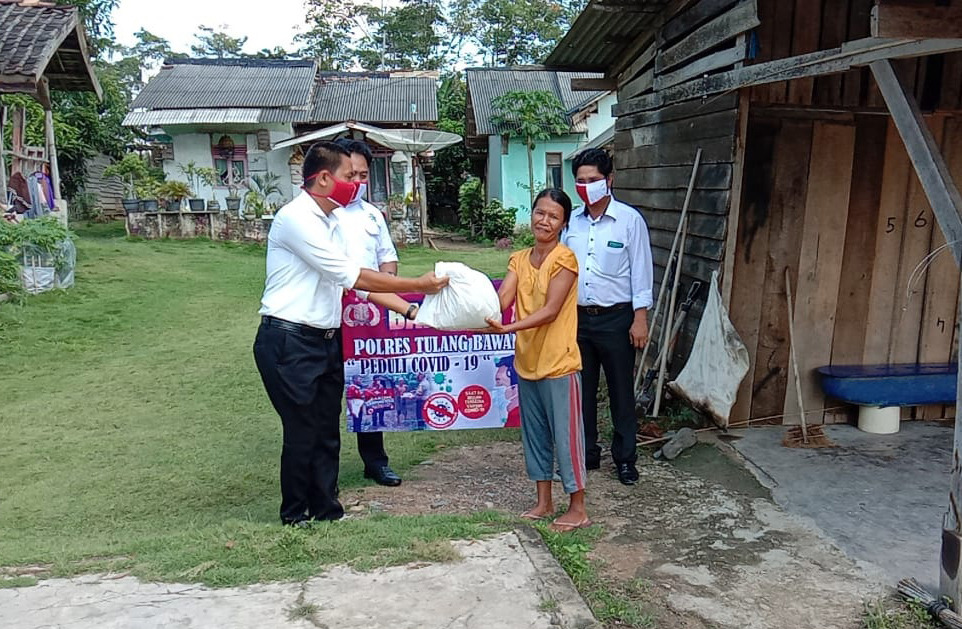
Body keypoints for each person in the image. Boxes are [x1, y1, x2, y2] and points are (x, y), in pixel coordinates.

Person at [253, 140, 447, 526]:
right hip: (288, 339)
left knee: (326, 429)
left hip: (325, 339)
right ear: (324, 178)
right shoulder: (297, 218)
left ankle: (327, 509)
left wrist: (412, 309)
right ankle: (294, 514)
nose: (355, 184)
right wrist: (418, 283)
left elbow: (360, 285)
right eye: (348, 176)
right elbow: (353, 274)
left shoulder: (333, 221)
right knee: (302, 429)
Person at [484, 189, 589, 533]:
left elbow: (550, 310)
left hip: (559, 364)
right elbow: (503, 298)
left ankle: (578, 507)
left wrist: (508, 327)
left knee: (567, 436)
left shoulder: (565, 259)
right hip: (527, 362)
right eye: (540, 213)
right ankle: (544, 502)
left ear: (563, 224)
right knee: (535, 435)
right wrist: (477, 311)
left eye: (553, 216)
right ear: (531, 215)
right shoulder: (518, 258)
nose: (544, 221)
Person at [562, 148, 653, 486]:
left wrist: (639, 317)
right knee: (580, 391)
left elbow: (641, 271)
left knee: (620, 392)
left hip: (617, 319)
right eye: (581, 182)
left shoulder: (629, 221)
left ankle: (626, 459)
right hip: (578, 320)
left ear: (609, 180)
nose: (587, 187)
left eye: (594, 180)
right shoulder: (570, 222)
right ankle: (586, 454)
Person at [334, 138, 403, 487]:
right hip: (329, 316)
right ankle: (324, 468)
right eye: (351, 174)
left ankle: (375, 462)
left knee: (369, 386)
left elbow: (387, 256)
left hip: (368, 316)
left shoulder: (373, 215)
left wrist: (386, 283)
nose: (358, 182)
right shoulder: (320, 214)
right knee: (328, 392)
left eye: (363, 175)